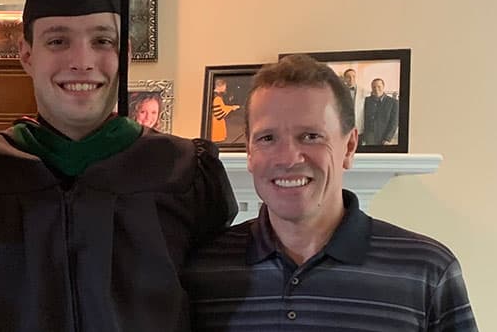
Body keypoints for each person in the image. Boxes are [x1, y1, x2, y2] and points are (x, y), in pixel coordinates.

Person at [0, 0, 237, 332]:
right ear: (26, 54)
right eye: (58, 41)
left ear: (123, 53)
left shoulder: (184, 171)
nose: (82, 61)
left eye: (102, 41)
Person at [183, 54, 477, 331]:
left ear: (349, 147)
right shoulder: (200, 268)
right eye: (267, 138)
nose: (288, 158)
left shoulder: (428, 270)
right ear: (249, 151)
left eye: (311, 136)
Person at [362, 77, 399, 145]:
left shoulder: (393, 102)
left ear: (383, 87)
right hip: (369, 137)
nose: (376, 89)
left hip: (384, 138)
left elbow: (394, 123)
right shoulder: (367, 100)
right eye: (374, 87)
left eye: (379, 86)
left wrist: (387, 138)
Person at [211, 78, 241, 143]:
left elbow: (221, 107)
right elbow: (219, 115)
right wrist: (231, 108)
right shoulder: (217, 98)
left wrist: (231, 107)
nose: (225, 89)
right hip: (216, 130)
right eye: (225, 86)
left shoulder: (212, 95)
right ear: (220, 86)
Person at [342, 68, 366, 135]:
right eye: (348, 77)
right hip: (345, 128)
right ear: (344, 78)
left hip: (359, 128)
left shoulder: (364, 91)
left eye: (353, 76)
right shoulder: (340, 92)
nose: (351, 79)